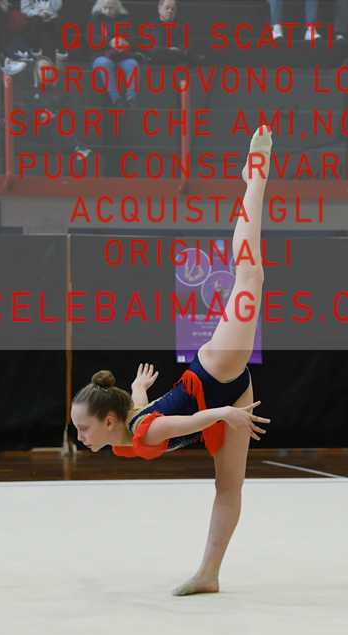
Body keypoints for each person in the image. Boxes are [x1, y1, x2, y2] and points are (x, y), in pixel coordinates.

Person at [71, 126, 274, 596]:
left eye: (83, 428)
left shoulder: (142, 432)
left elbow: (184, 422)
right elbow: (142, 410)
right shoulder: (128, 431)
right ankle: (209, 573)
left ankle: (255, 177)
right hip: (226, 395)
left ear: (108, 421)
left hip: (216, 372)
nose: (80, 437)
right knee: (229, 487)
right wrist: (140, 389)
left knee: (250, 275)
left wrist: (224, 414)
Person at [91, 0, 141, 106]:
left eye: (111, 8)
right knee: (105, 64)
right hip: (102, 55)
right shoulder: (96, 20)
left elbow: (134, 39)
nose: (107, 11)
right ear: (100, 8)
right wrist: (110, 42)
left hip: (123, 55)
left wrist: (125, 43)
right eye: (105, 8)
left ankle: (131, 98)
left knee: (132, 64)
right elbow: (92, 40)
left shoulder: (126, 20)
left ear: (117, 8)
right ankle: (116, 99)